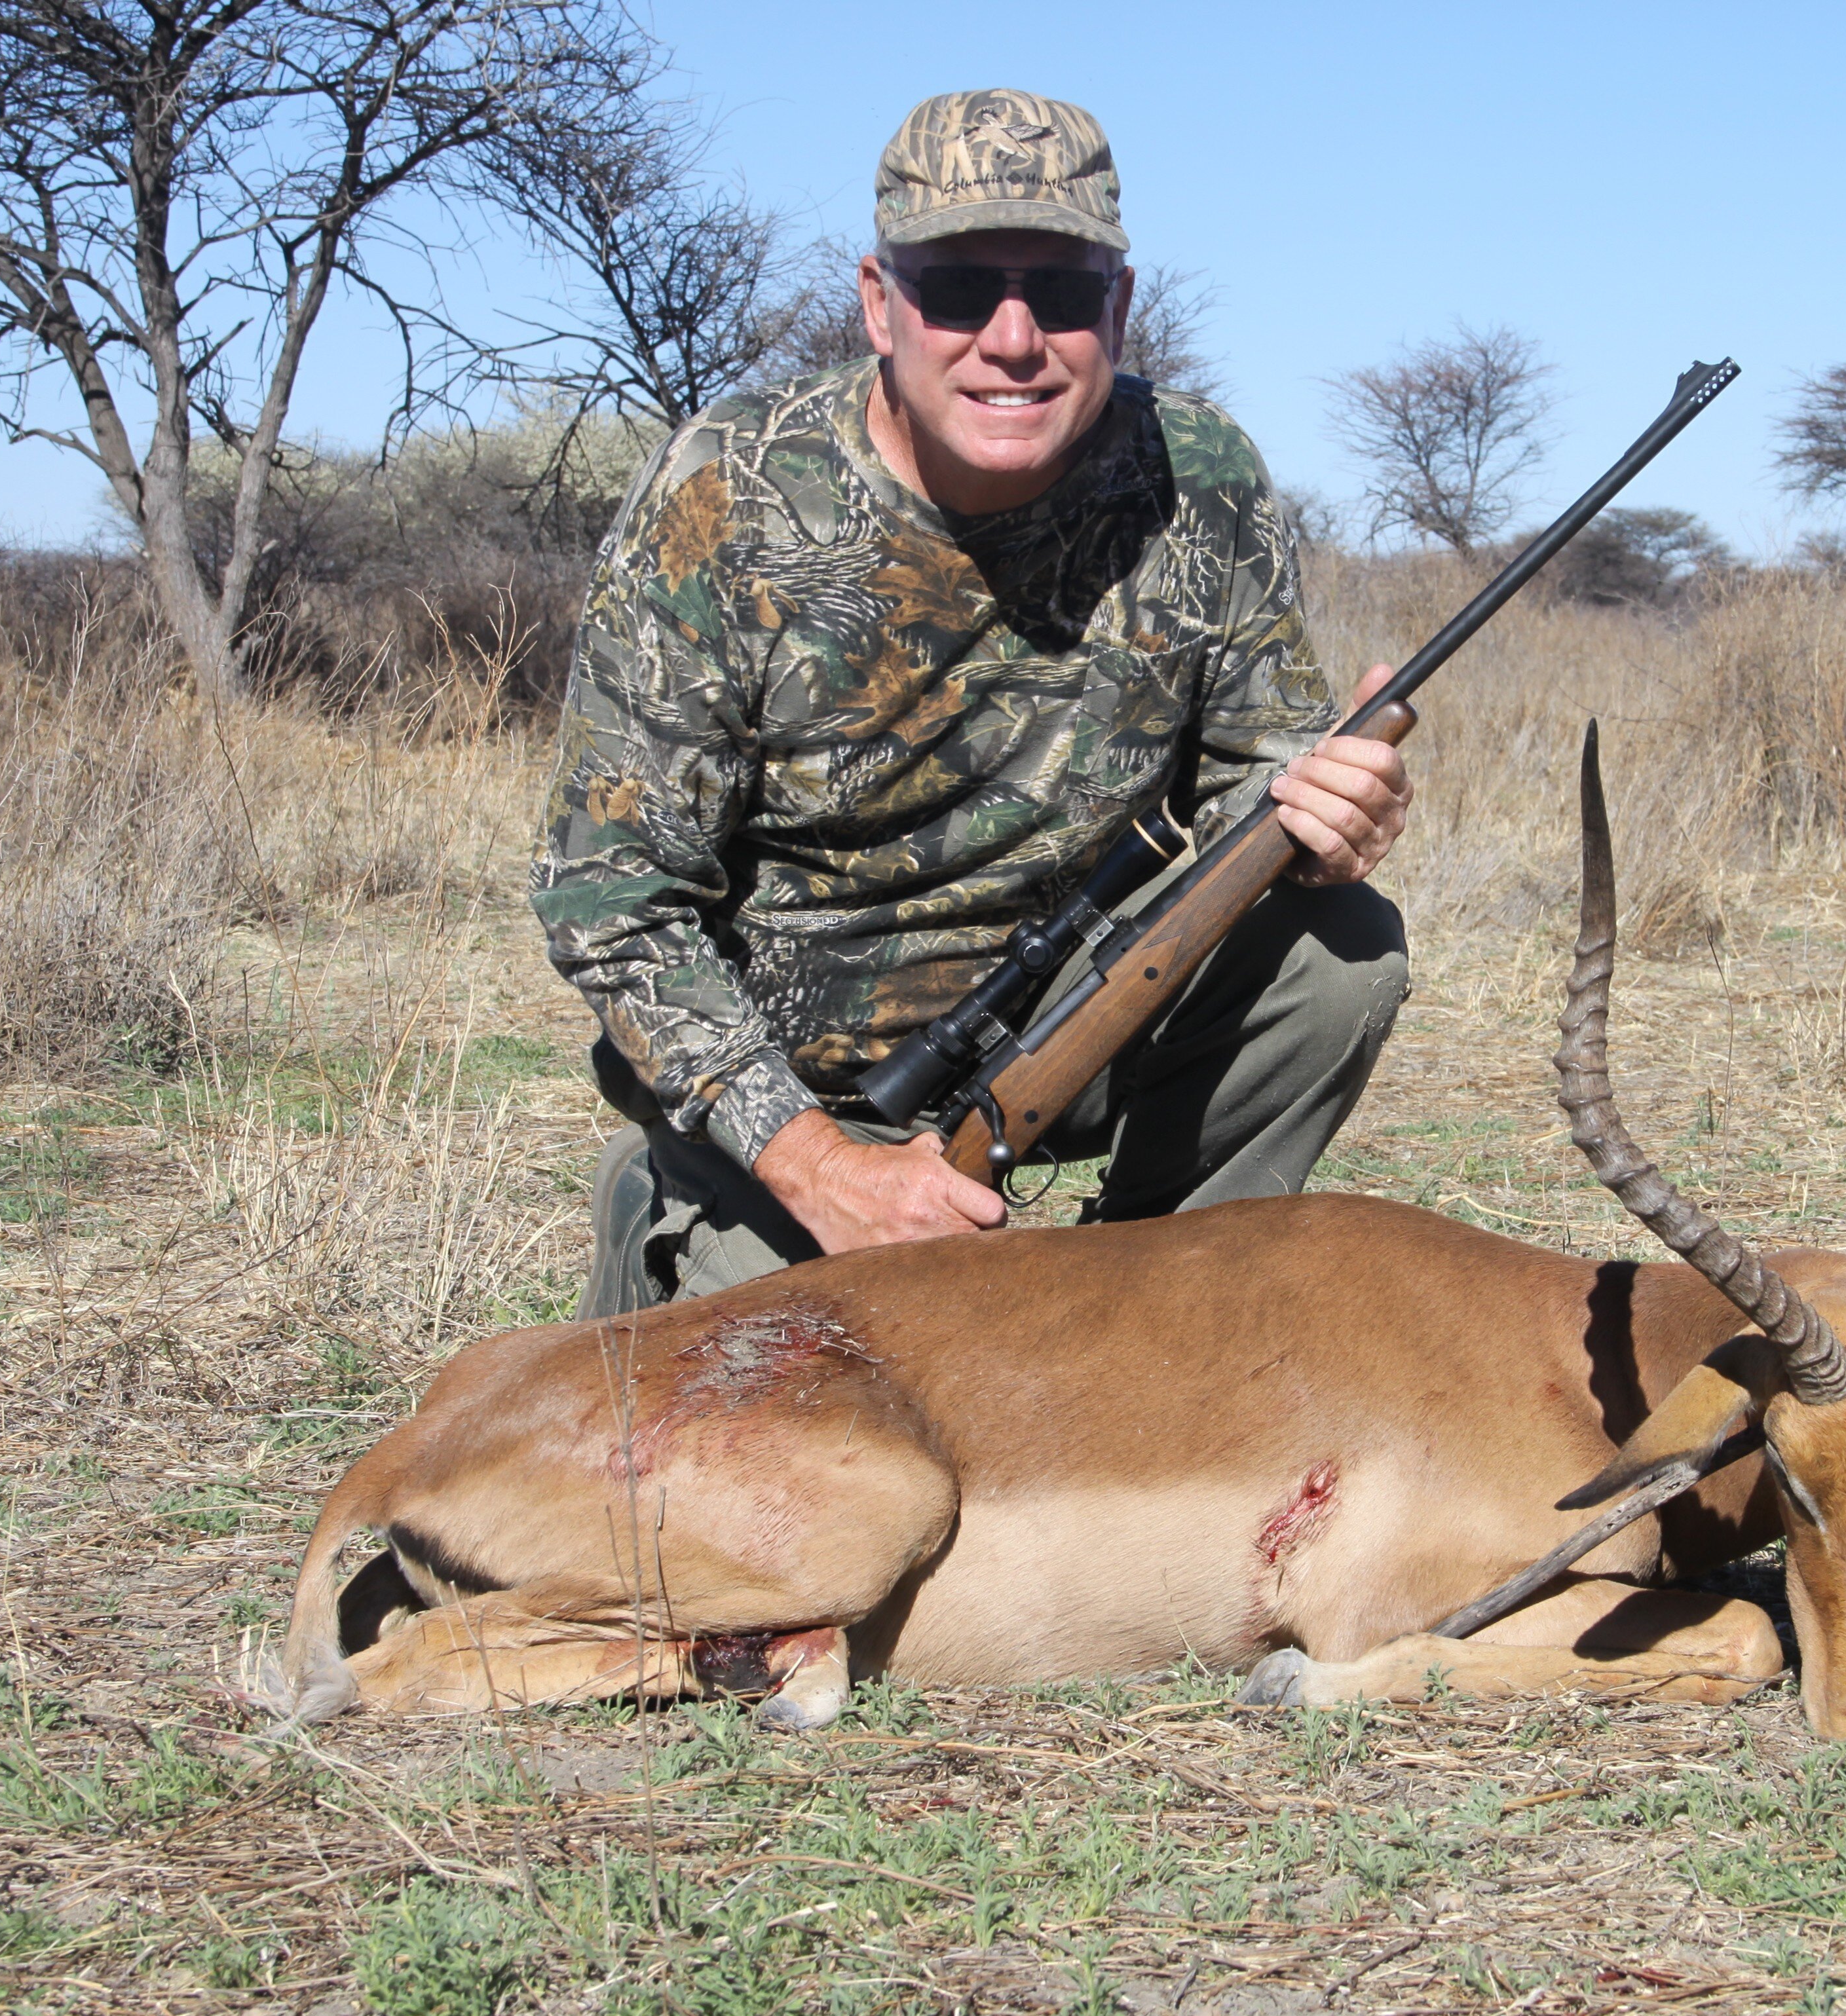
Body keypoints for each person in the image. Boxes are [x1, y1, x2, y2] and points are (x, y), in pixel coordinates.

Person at [533, 88, 1412, 1318]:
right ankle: (676, 1202)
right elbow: (611, 905)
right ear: (879, 305)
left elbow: (1250, 806)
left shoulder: (1198, 473)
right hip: (795, 1084)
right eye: (958, 290)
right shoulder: (725, 492)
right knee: (803, 1428)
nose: (1013, 339)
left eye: (1059, 293)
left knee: (1343, 951)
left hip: (1082, 1013)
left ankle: (1148, 1311)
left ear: (1119, 306)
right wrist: (822, 1170)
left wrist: (1333, 827)